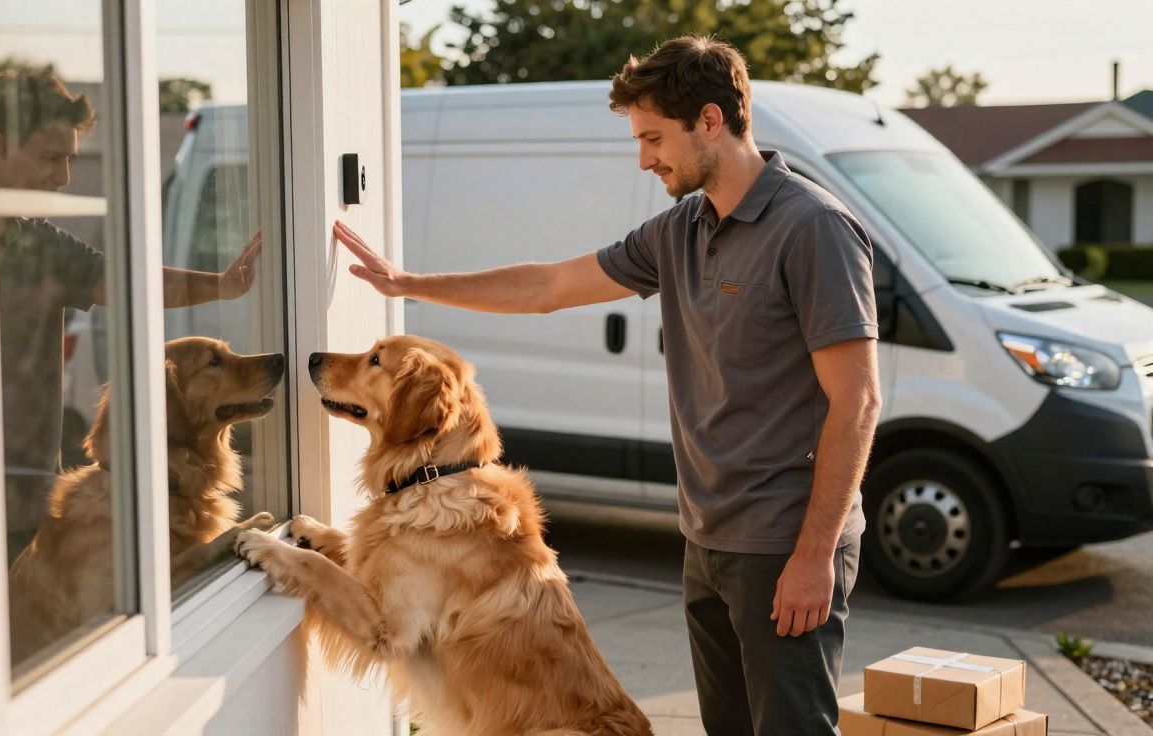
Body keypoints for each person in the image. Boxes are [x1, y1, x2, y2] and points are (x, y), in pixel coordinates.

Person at [333, 35, 881, 736]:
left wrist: (814, 556)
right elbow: (547, 286)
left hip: (783, 543)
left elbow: (857, 401)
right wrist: (408, 284)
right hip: (708, 537)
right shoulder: (681, 230)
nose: (645, 159)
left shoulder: (814, 229)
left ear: (710, 120)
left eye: (654, 139)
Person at [0, 70, 262, 559]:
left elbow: (127, 281)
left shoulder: (41, 245)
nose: (63, 178)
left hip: (26, 504)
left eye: (70, 160)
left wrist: (221, 287)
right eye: (51, 158)